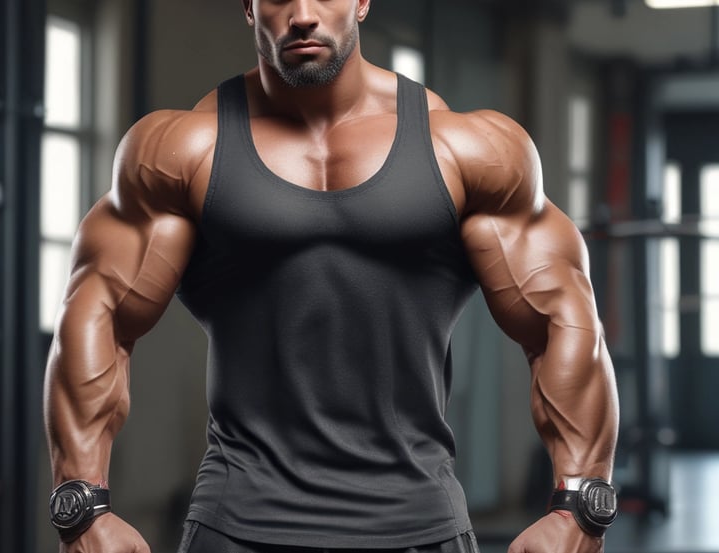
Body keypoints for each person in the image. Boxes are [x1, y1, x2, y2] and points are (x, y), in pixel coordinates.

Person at [43, 1, 620, 552]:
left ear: (362, 1)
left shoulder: (469, 149)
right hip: (238, 524)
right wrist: (82, 507)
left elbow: (562, 320)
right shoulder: (183, 150)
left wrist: (580, 505)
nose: (303, 15)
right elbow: (99, 311)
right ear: (249, 6)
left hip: (418, 522)